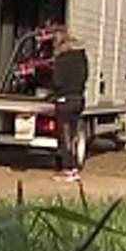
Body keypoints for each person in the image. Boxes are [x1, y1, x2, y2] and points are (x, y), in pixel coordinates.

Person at [50, 26, 88, 181]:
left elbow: (57, 81)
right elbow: (85, 76)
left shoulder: (61, 59)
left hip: (64, 100)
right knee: (72, 135)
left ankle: (68, 169)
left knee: (64, 136)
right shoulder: (81, 57)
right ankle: (73, 169)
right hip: (78, 99)